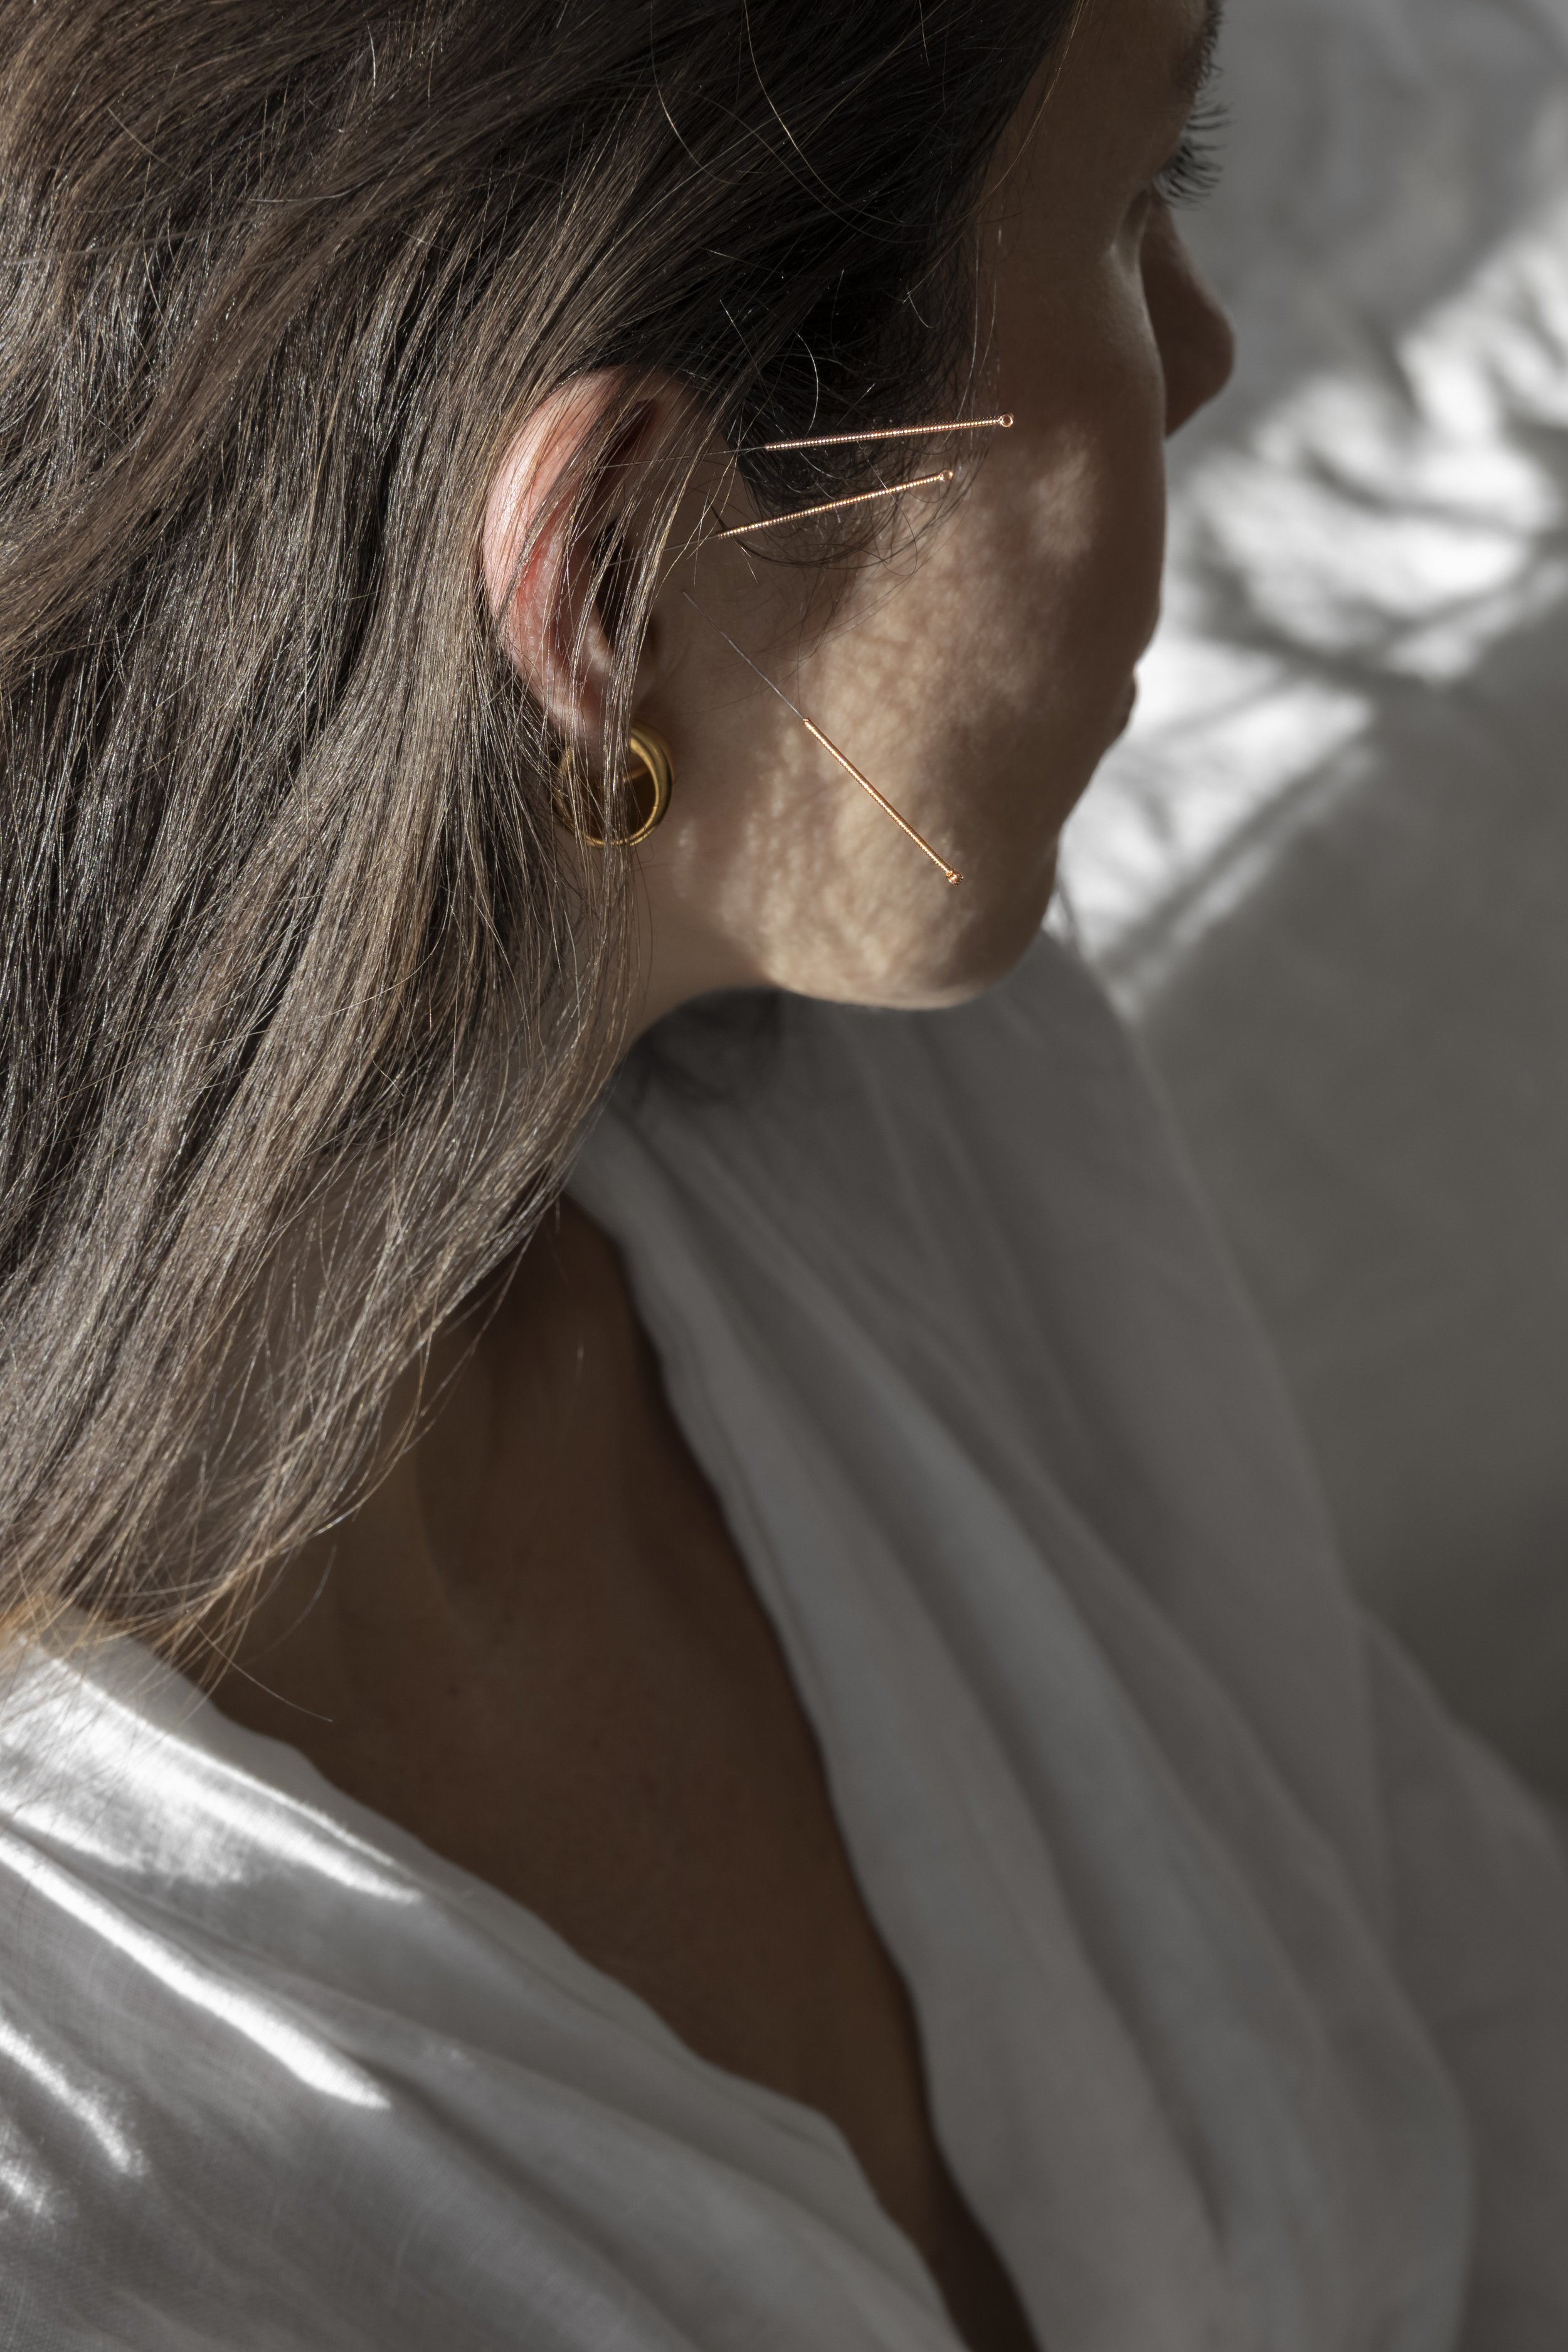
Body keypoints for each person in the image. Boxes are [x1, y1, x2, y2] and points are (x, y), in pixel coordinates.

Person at [1, 0, 1565, 2341]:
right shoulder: (98, 2179)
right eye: (1143, 207)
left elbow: (1439, 1994)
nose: (1211, 348)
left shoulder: (893, 1084)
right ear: (618, 567)